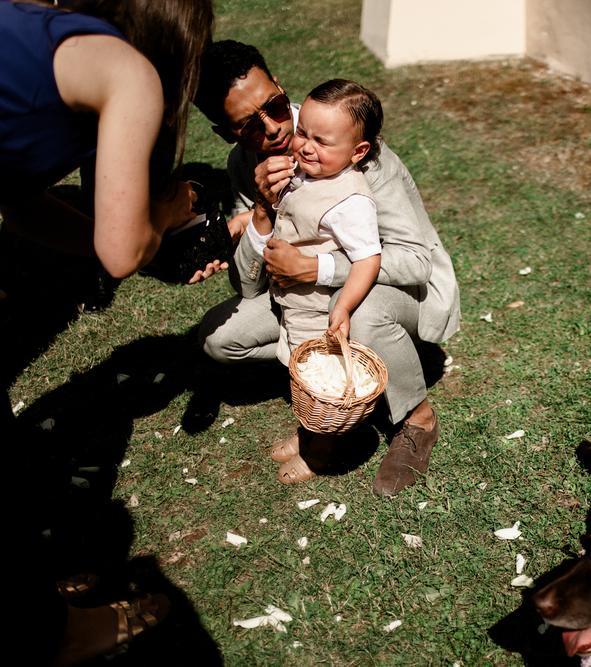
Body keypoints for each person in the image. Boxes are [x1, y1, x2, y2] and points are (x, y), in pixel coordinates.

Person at [0, 1, 213, 664]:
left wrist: (99, 239)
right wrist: (165, 212)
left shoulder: (32, 32)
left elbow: (18, 204)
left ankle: (27, 593)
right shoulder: (130, 69)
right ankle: (57, 632)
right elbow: (125, 251)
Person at [193, 40, 461, 493]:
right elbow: (248, 287)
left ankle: (417, 417)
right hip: (299, 297)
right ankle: (332, 381)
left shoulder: (350, 143)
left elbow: (413, 262)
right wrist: (260, 209)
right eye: (248, 125)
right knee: (219, 339)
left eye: (276, 106)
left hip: (395, 292)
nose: (275, 130)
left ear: (279, 86)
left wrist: (316, 267)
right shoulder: (243, 164)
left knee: (363, 310)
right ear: (226, 133)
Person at [241, 78, 384, 480]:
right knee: (294, 369)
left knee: (316, 383)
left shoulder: (351, 201)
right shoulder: (306, 171)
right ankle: (307, 434)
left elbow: (367, 258)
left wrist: (343, 305)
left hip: (316, 305)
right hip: (291, 300)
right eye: (303, 132)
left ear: (357, 152)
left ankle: (320, 450)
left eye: (321, 141)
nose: (305, 146)